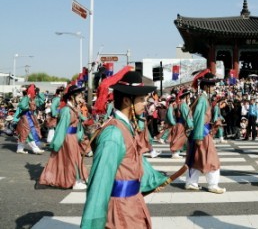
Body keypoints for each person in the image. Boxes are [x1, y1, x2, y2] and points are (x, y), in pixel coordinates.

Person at [81, 71, 168, 228]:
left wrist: (155, 179)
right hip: (120, 209)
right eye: (141, 99)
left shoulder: (126, 126)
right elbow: (100, 182)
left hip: (132, 203)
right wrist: (92, 223)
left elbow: (135, 162)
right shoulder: (113, 134)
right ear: (127, 101)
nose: (145, 103)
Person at [38, 85, 89, 190]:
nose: (81, 99)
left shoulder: (73, 108)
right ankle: (74, 181)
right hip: (67, 138)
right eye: (79, 97)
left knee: (74, 159)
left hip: (73, 137)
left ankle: (76, 179)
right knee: (71, 160)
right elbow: (61, 128)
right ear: (72, 97)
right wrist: (57, 142)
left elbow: (80, 120)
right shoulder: (66, 110)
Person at [185, 72, 226, 194]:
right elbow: (198, 118)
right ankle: (213, 184)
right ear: (206, 86)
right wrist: (198, 136)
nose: (214, 87)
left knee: (196, 158)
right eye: (212, 85)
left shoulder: (202, 98)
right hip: (202, 133)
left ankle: (191, 182)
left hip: (200, 132)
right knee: (212, 159)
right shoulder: (202, 99)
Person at [14, 84, 45, 154]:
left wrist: (39, 93)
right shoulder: (26, 98)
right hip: (25, 118)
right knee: (29, 132)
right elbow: (22, 106)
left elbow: (42, 101)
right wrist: (27, 97)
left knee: (24, 134)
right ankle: (35, 149)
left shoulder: (34, 98)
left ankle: (20, 148)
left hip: (31, 117)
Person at [168, 88, 192, 159]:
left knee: (180, 138)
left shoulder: (180, 104)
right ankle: (175, 152)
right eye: (188, 96)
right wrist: (190, 125)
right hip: (181, 124)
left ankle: (177, 152)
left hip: (180, 123)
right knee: (179, 138)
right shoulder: (183, 105)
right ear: (186, 96)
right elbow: (186, 116)